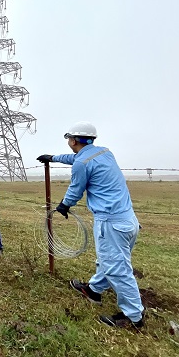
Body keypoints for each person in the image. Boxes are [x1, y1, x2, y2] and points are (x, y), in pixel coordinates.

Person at [37, 121, 145, 329]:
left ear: (74, 140)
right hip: (128, 219)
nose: (68, 141)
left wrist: (63, 206)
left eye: (69, 138)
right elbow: (77, 158)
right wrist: (53, 158)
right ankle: (94, 290)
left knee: (117, 269)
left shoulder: (82, 163)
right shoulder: (104, 152)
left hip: (111, 222)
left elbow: (76, 187)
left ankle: (134, 316)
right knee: (109, 259)